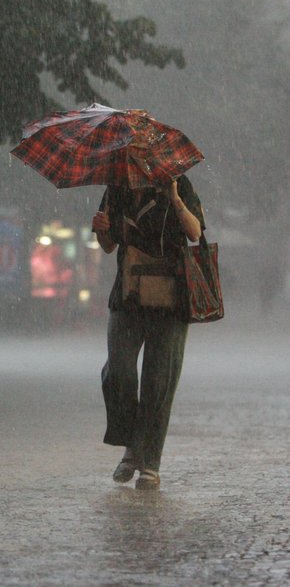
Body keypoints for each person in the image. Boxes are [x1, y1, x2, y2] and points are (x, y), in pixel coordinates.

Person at [91, 174, 204, 490]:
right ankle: (132, 444)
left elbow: (195, 232)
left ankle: (146, 463)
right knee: (119, 371)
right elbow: (108, 245)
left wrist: (176, 199)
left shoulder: (177, 183)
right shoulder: (116, 189)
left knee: (158, 383)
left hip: (170, 300)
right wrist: (102, 229)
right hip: (127, 296)